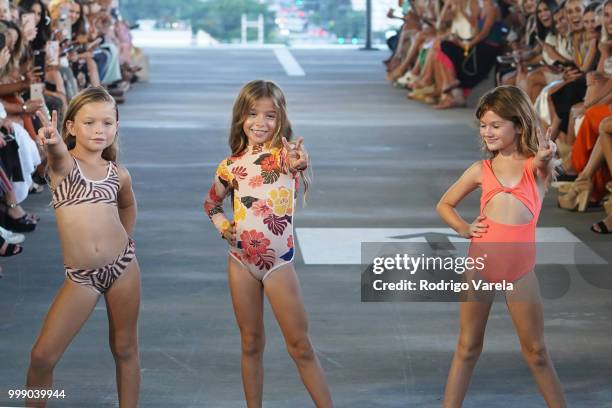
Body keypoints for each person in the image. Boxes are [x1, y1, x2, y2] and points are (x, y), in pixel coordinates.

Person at [203, 80, 332, 408]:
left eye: (270, 115)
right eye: (252, 113)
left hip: (278, 265)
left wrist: (297, 159)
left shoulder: (283, 157)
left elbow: (297, 164)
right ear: (240, 118)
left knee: (300, 345)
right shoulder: (230, 165)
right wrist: (222, 226)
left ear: (281, 120)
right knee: (250, 342)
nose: (260, 122)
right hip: (240, 261)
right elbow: (211, 204)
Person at [436, 86, 566, 407]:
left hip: (520, 271)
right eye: (483, 125)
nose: (487, 132)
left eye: (496, 125)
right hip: (480, 265)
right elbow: (445, 204)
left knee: (536, 352)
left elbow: (545, 164)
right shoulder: (482, 170)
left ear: (518, 125)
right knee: (467, 347)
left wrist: (547, 155)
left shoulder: (536, 168)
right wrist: (465, 228)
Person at [26, 87, 140, 408]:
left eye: (107, 123)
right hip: (81, 278)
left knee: (125, 349)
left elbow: (128, 206)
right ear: (71, 126)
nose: (99, 130)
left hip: (123, 269)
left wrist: (125, 239)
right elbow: (59, 155)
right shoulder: (64, 168)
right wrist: (53, 143)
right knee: (42, 356)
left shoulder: (118, 174)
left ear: (117, 126)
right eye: (89, 123)